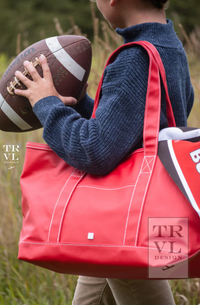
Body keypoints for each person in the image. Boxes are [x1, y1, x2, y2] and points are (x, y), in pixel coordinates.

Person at [15, 0, 194, 304]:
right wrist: (78, 101)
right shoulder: (170, 46)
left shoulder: (135, 59)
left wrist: (47, 105)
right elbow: (135, 127)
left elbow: (93, 151)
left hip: (125, 220)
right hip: (145, 212)